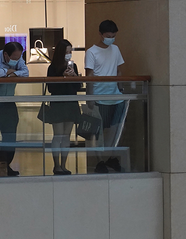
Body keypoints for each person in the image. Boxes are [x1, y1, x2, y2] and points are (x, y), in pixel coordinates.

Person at [85, 20, 125, 173]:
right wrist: (90, 98)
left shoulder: (115, 49)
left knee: (117, 128)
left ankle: (110, 156)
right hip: (99, 96)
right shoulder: (92, 52)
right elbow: (89, 75)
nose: (111, 38)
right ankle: (100, 160)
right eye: (108, 36)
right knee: (99, 131)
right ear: (101, 35)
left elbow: (119, 70)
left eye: (114, 36)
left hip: (115, 96)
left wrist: (120, 88)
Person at [0, 41, 29, 176]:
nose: (17, 60)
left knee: (9, 136)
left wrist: (10, 73)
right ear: (5, 54)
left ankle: (6, 165)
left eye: (18, 58)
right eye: (14, 58)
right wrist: (12, 72)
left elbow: (26, 72)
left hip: (9, 102)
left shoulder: (18, 57)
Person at [42, 39, 81, 175]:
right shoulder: (52, 68)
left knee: (66, 136)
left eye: (70, 51)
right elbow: (51, 87)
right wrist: (62, 77)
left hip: (71, 102)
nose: (69, 54)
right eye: (67, 52)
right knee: (58, 135)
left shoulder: (73, 66)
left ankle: (63, 164)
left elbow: (78, 86)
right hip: (58, 103)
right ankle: (56, 164)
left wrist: (75, 77)